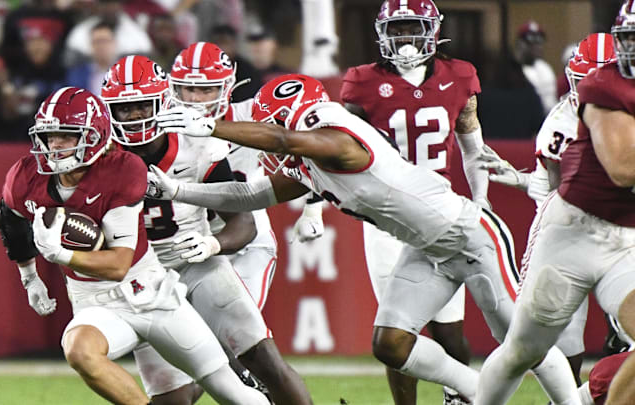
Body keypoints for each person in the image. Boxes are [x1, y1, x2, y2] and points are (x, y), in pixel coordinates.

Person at [150, 73, 581, 404]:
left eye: (274, 121)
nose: (270, 135)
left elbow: (283, 137)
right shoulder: (310, 161)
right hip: (427, 248)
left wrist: (212, 126)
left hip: (469, 236)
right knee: (390, 344)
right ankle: (471, 387)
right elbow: (250, 194)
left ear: (300, 113)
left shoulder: (336, 134)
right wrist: (180, 190)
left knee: (524, 340)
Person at [0, 86, 269, 405]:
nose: (54, 145)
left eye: (66, 136)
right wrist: (30, 278)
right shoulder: (26, 178)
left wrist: (61, 254)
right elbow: (9, 219)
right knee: (79, 349)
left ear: (94, 136)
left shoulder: (122, 169)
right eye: (49, 136)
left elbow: (118, 264)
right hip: (94, 301)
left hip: (152, 294)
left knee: (230, 390)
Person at [100, 55, 312, 405]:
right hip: (144, 281)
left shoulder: (197, 144)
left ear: (162, 101)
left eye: (142, 106)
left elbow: (243, 221)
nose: (135, 116)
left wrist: (213, 244)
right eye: (125, 109)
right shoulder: (101, 159)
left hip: (200, 267)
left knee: (263, 360)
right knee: (174, 399)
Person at [474, 3, 635, 404]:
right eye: (629, 39)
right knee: (522, 351)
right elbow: (622, 168)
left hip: (625, 240)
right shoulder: (603, 87)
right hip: (574, 234)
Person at [340, 1, 486, 402]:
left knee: (449, 328)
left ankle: (460, 396)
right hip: (385, 219)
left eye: (413, 27)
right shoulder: (363, 81)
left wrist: (483, 198)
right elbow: (334, 147)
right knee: (396, 330)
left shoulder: (459, 75)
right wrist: (315, 206)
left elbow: (473, 147)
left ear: (434, 30)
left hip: (441, 214)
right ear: (383, 33)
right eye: (398, 29)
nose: (405, 38)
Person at [168, 41, 324, 309]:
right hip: (187, 243)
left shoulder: (251, 115)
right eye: (188, 88)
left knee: (239, 335)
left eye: (206, 89)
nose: (194, 98)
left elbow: (310, 146)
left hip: (247, 241)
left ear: (226, 87)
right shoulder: (160, 127)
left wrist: (313, 210)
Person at [514, 20, 558, 112]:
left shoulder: (545, 69)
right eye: (531, 42)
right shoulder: (514, 70)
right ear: (520, 43)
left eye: (539, 42)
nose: (536, 46)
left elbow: (550, 102)